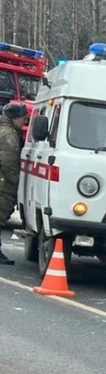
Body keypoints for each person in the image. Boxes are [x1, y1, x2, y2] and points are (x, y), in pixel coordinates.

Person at [0, 102, 29, 266]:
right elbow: (9, 163)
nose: (24, 122)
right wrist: (18, 184)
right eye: (23, 119)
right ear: (14, 119)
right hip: (3, 185)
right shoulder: (9, 136)